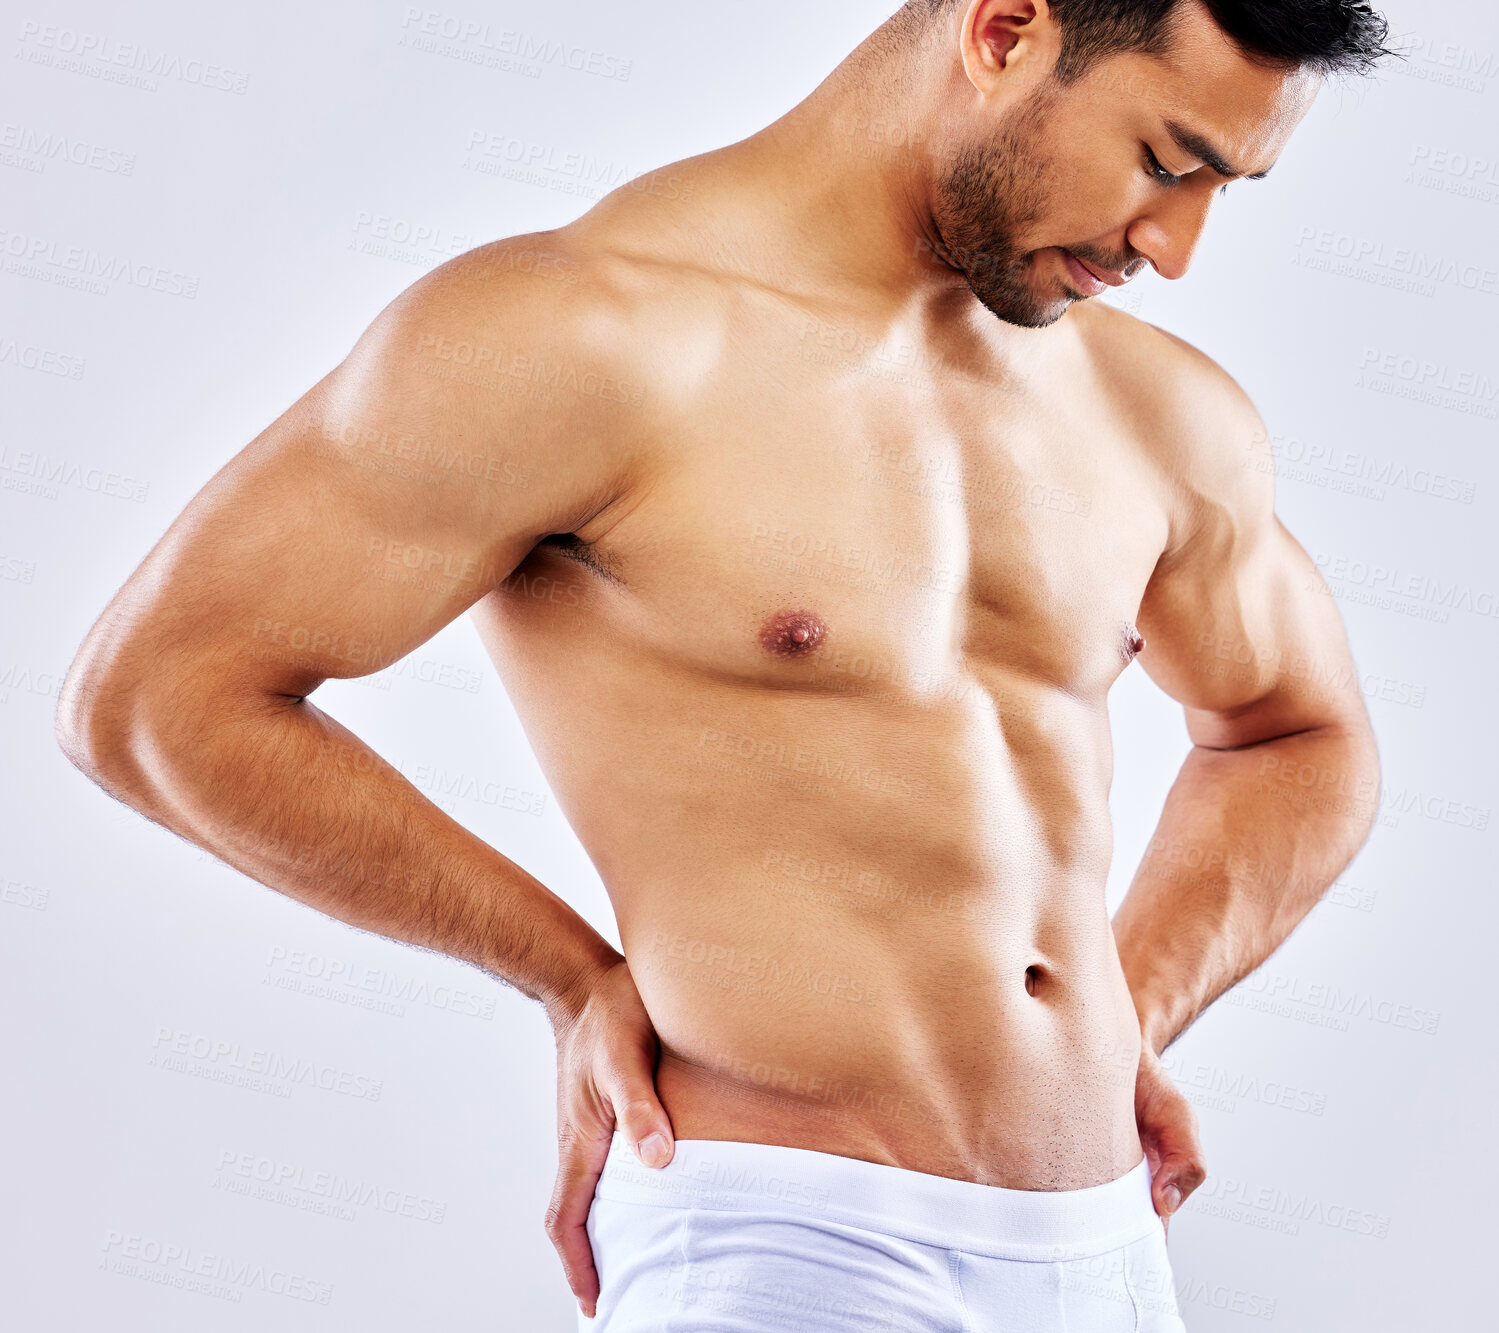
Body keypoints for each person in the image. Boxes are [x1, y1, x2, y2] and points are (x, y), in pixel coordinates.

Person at [57, 1, 1391, 1328]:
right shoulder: (582, 334)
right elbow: (157, 698)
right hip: (781, 1236)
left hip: (1102, 1245)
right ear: (1002, 32)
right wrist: (568, 971)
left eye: (1227, 188)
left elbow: (1298, 736)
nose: (1177, 246)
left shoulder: (1154, 409)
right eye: (1167, 163)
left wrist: (1128, 1016)